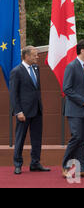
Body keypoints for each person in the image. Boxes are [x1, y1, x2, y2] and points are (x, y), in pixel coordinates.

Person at [9, 46, 50, 175]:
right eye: (34, 55)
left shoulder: (36, 69)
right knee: (20, 138)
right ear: (26, 56)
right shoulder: (17, 71)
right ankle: (18, 164)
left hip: (37, 110)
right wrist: (18, 111)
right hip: (23, 112)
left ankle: (35, 163)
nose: (37, 57)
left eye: (37, 54)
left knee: (37, 138)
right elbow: (13, 94)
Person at [62, 39, 84, 179]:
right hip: (75, 110)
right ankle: (65, 167)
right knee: (76, 137)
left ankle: (81, 169)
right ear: (82, 51)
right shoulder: (71, 67)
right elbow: (67, 89)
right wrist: (83, 101)